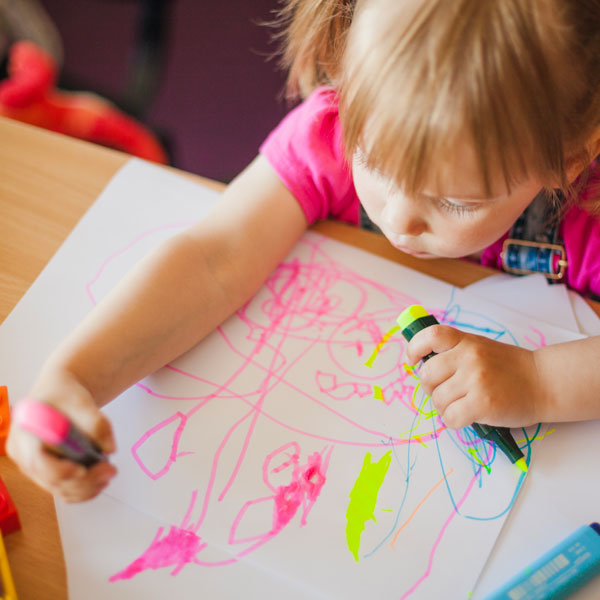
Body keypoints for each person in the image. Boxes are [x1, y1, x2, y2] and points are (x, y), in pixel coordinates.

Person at [7, 0, 600, 502]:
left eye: (456, 202)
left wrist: (541, 380)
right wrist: (75, 377)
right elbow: (212, 258)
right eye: (371, 158)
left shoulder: (588, 212)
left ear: (568, 158)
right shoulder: (328, 134)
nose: (398, 217)